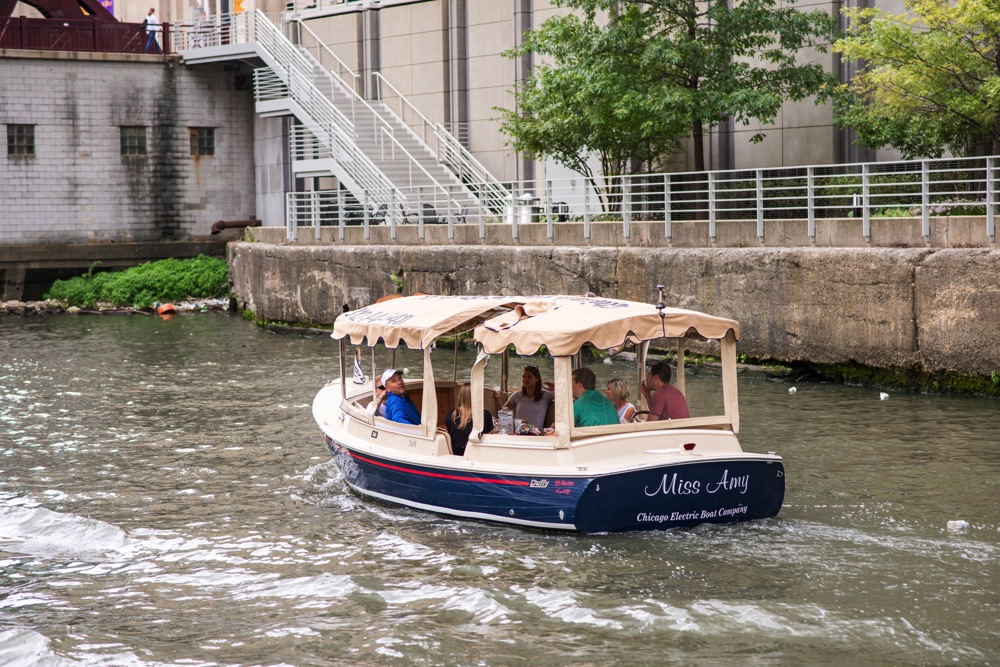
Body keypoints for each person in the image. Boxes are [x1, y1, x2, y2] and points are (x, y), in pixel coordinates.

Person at [492, 364, 554, 430]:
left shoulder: (546, 395)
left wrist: (555, 388)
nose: (525, 379)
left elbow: (563, 398)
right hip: (518, 434)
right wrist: (496, 399)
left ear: (537, 379)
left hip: (535, 435)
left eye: (529, 377)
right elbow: (502, 415)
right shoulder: (517, 395)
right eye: (523, 377)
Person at [445, 383, 494, 456]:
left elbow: (448, 434)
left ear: (460, 396)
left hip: (456, 456)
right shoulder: (484, 415)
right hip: (477, 455)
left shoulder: (450, 414)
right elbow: (490, 437)